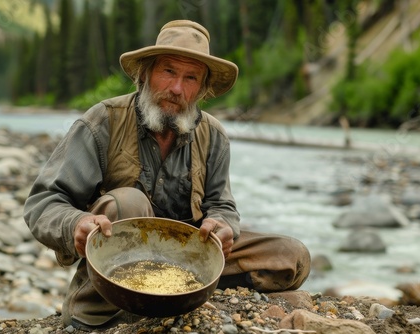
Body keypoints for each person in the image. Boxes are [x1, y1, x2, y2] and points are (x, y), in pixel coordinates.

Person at [24, 20, 310, 330]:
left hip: (187, 259)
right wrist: (75, 224)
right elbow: (44, 202)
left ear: (202, 88)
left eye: (190, 78)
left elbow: (222, 204)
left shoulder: (213, 135)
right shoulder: (101, 121)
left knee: (290, 256)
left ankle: (186, 295)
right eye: (168, 72)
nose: (176, 89)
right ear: (145, 73)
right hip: (114, 267)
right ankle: (98, 312)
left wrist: (224, 225)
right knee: (128, 205)